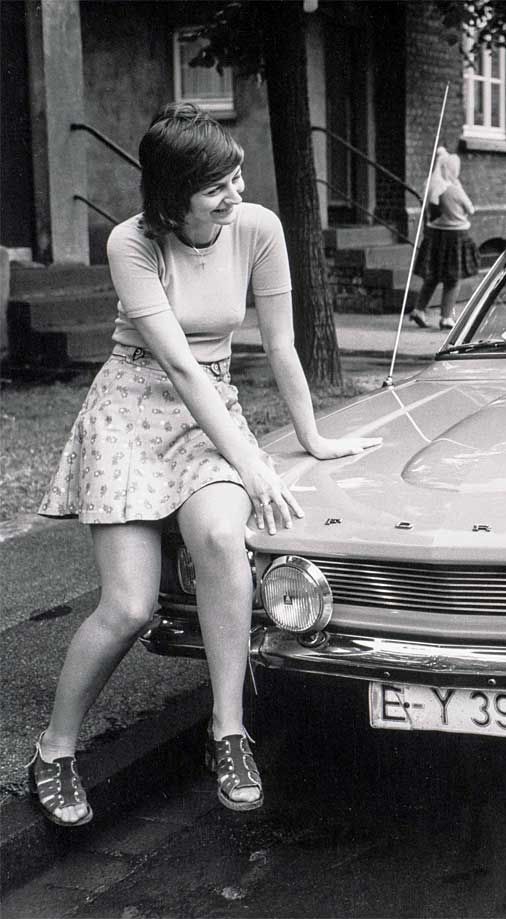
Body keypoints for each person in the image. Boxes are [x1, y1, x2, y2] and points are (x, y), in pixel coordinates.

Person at [31, 102, 380, 826]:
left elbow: (282, 346)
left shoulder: (257, 229)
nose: (236, 194)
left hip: (210, 406)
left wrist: (308, 438)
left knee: (225, 538)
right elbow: (178, 366)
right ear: (171, 193)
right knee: (129, 604)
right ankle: (54, 748)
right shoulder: (132, 243)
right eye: (216, 186)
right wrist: (249, 461)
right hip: (131, 406)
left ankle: (228, 730)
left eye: (238, 176)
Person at [409, 147, 479, 330]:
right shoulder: (454, 190)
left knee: (431, 276)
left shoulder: (432, 187)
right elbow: (470, 209)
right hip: (456, 236)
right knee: (453, 279)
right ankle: (446, 317)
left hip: (435, 235)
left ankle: (419, 309)